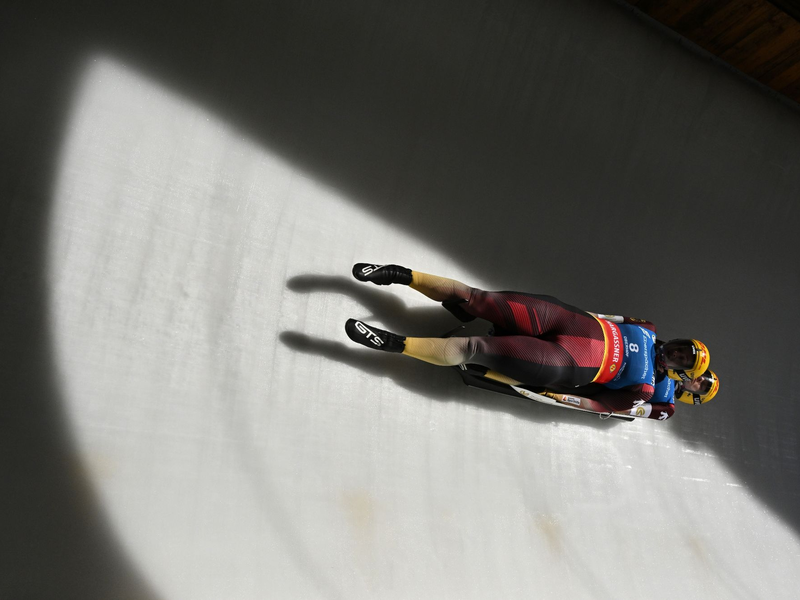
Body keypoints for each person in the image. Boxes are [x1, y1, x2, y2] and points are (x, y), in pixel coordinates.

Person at [345, 263, 712, 412]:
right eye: (681, 349)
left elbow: (596, 405)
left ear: (679, 375)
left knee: (477, 348)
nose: (675, 354)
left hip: (570, 361)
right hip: (570, 320)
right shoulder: (646, 328)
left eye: (681, 360)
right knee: (479, 299)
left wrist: (555, 396)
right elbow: (606, 316)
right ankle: (401, 274)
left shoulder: (646, 390)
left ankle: (395, 343)